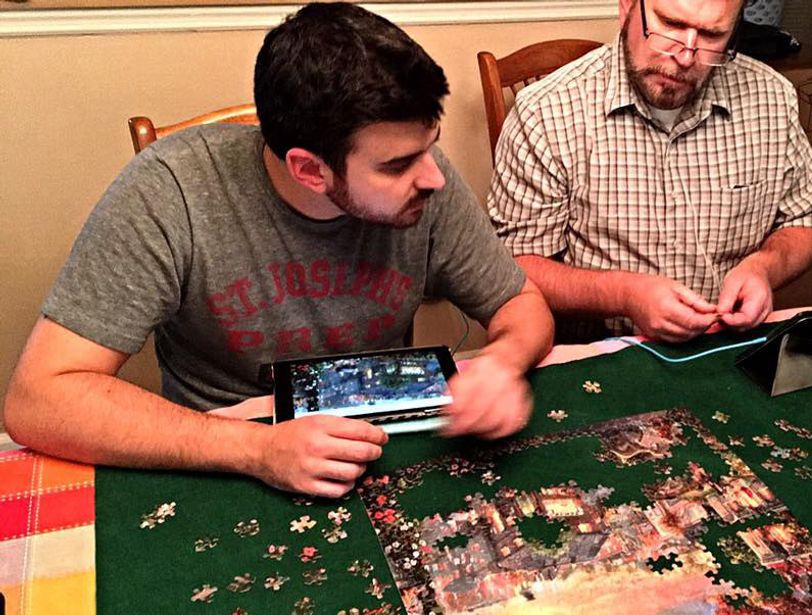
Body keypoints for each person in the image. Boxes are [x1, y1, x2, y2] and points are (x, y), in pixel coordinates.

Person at [2, 2, 553, 498]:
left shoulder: (425, 179)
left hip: (383, 444)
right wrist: (256, 449)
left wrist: (501, 362)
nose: (433, 177)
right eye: (396, 165)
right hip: (220, 458)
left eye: (429, 147)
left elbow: (521, 304)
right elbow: (40, 398)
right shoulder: (169, 189)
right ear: (309, 170)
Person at [488, 0, 812, 343]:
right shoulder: (545, 112)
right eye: (670, 24)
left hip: (728, 344)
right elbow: (519, 267)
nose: (685, 56)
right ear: (627, 7)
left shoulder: (772, 97)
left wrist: (764, 268)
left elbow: (806, 217)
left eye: (712, 35)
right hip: (604, 351)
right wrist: (624, 294)